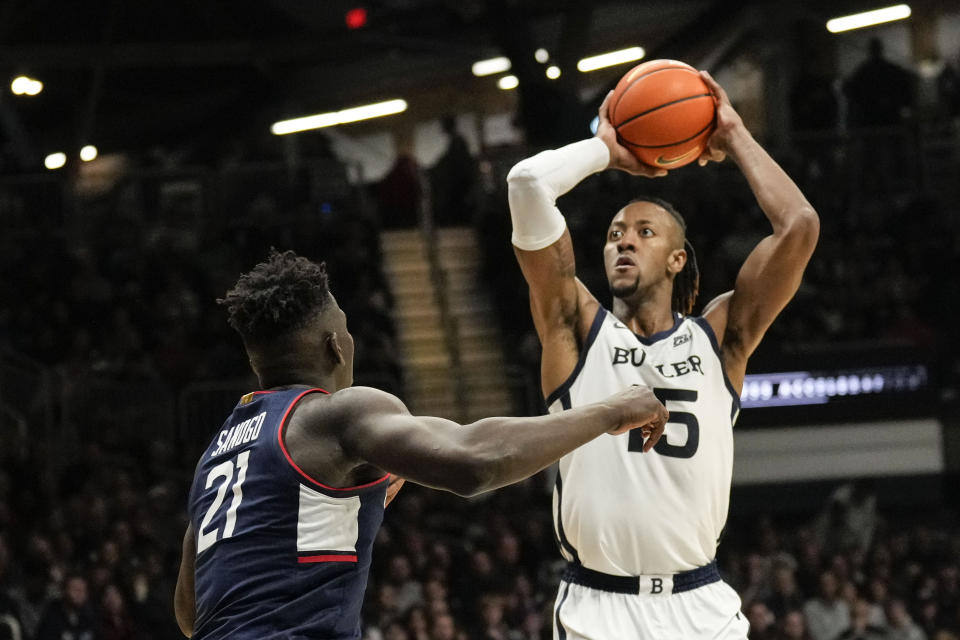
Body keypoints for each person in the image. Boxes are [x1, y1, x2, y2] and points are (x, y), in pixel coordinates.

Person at [174, 249, 668, 639]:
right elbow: (476, 461)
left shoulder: (219, 450)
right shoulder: (339, 413)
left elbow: (192, 613)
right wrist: (611, 410)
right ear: (335, 345)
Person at [506, 70, 819, 640]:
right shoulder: (574, 328)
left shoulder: (720, 338)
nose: (623, 240)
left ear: (678, 260)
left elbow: (798, 226)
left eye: (644, 232)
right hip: (598, 608)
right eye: (614, 233)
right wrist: (604, 150)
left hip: (703, 606)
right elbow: (527, 183)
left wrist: (736, 136)